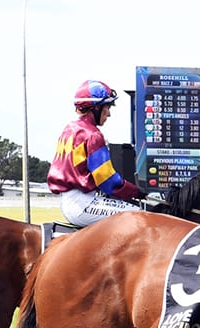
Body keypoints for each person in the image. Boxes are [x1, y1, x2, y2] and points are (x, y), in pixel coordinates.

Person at [47, 79, 145, 227]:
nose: (109, 114)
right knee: (140, 217)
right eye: (107, 107)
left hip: (70, 202)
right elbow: (107, 181)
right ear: (96, 108)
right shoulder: (93, 135)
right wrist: (136, 192)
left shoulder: (69, 129)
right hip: (83, 204)